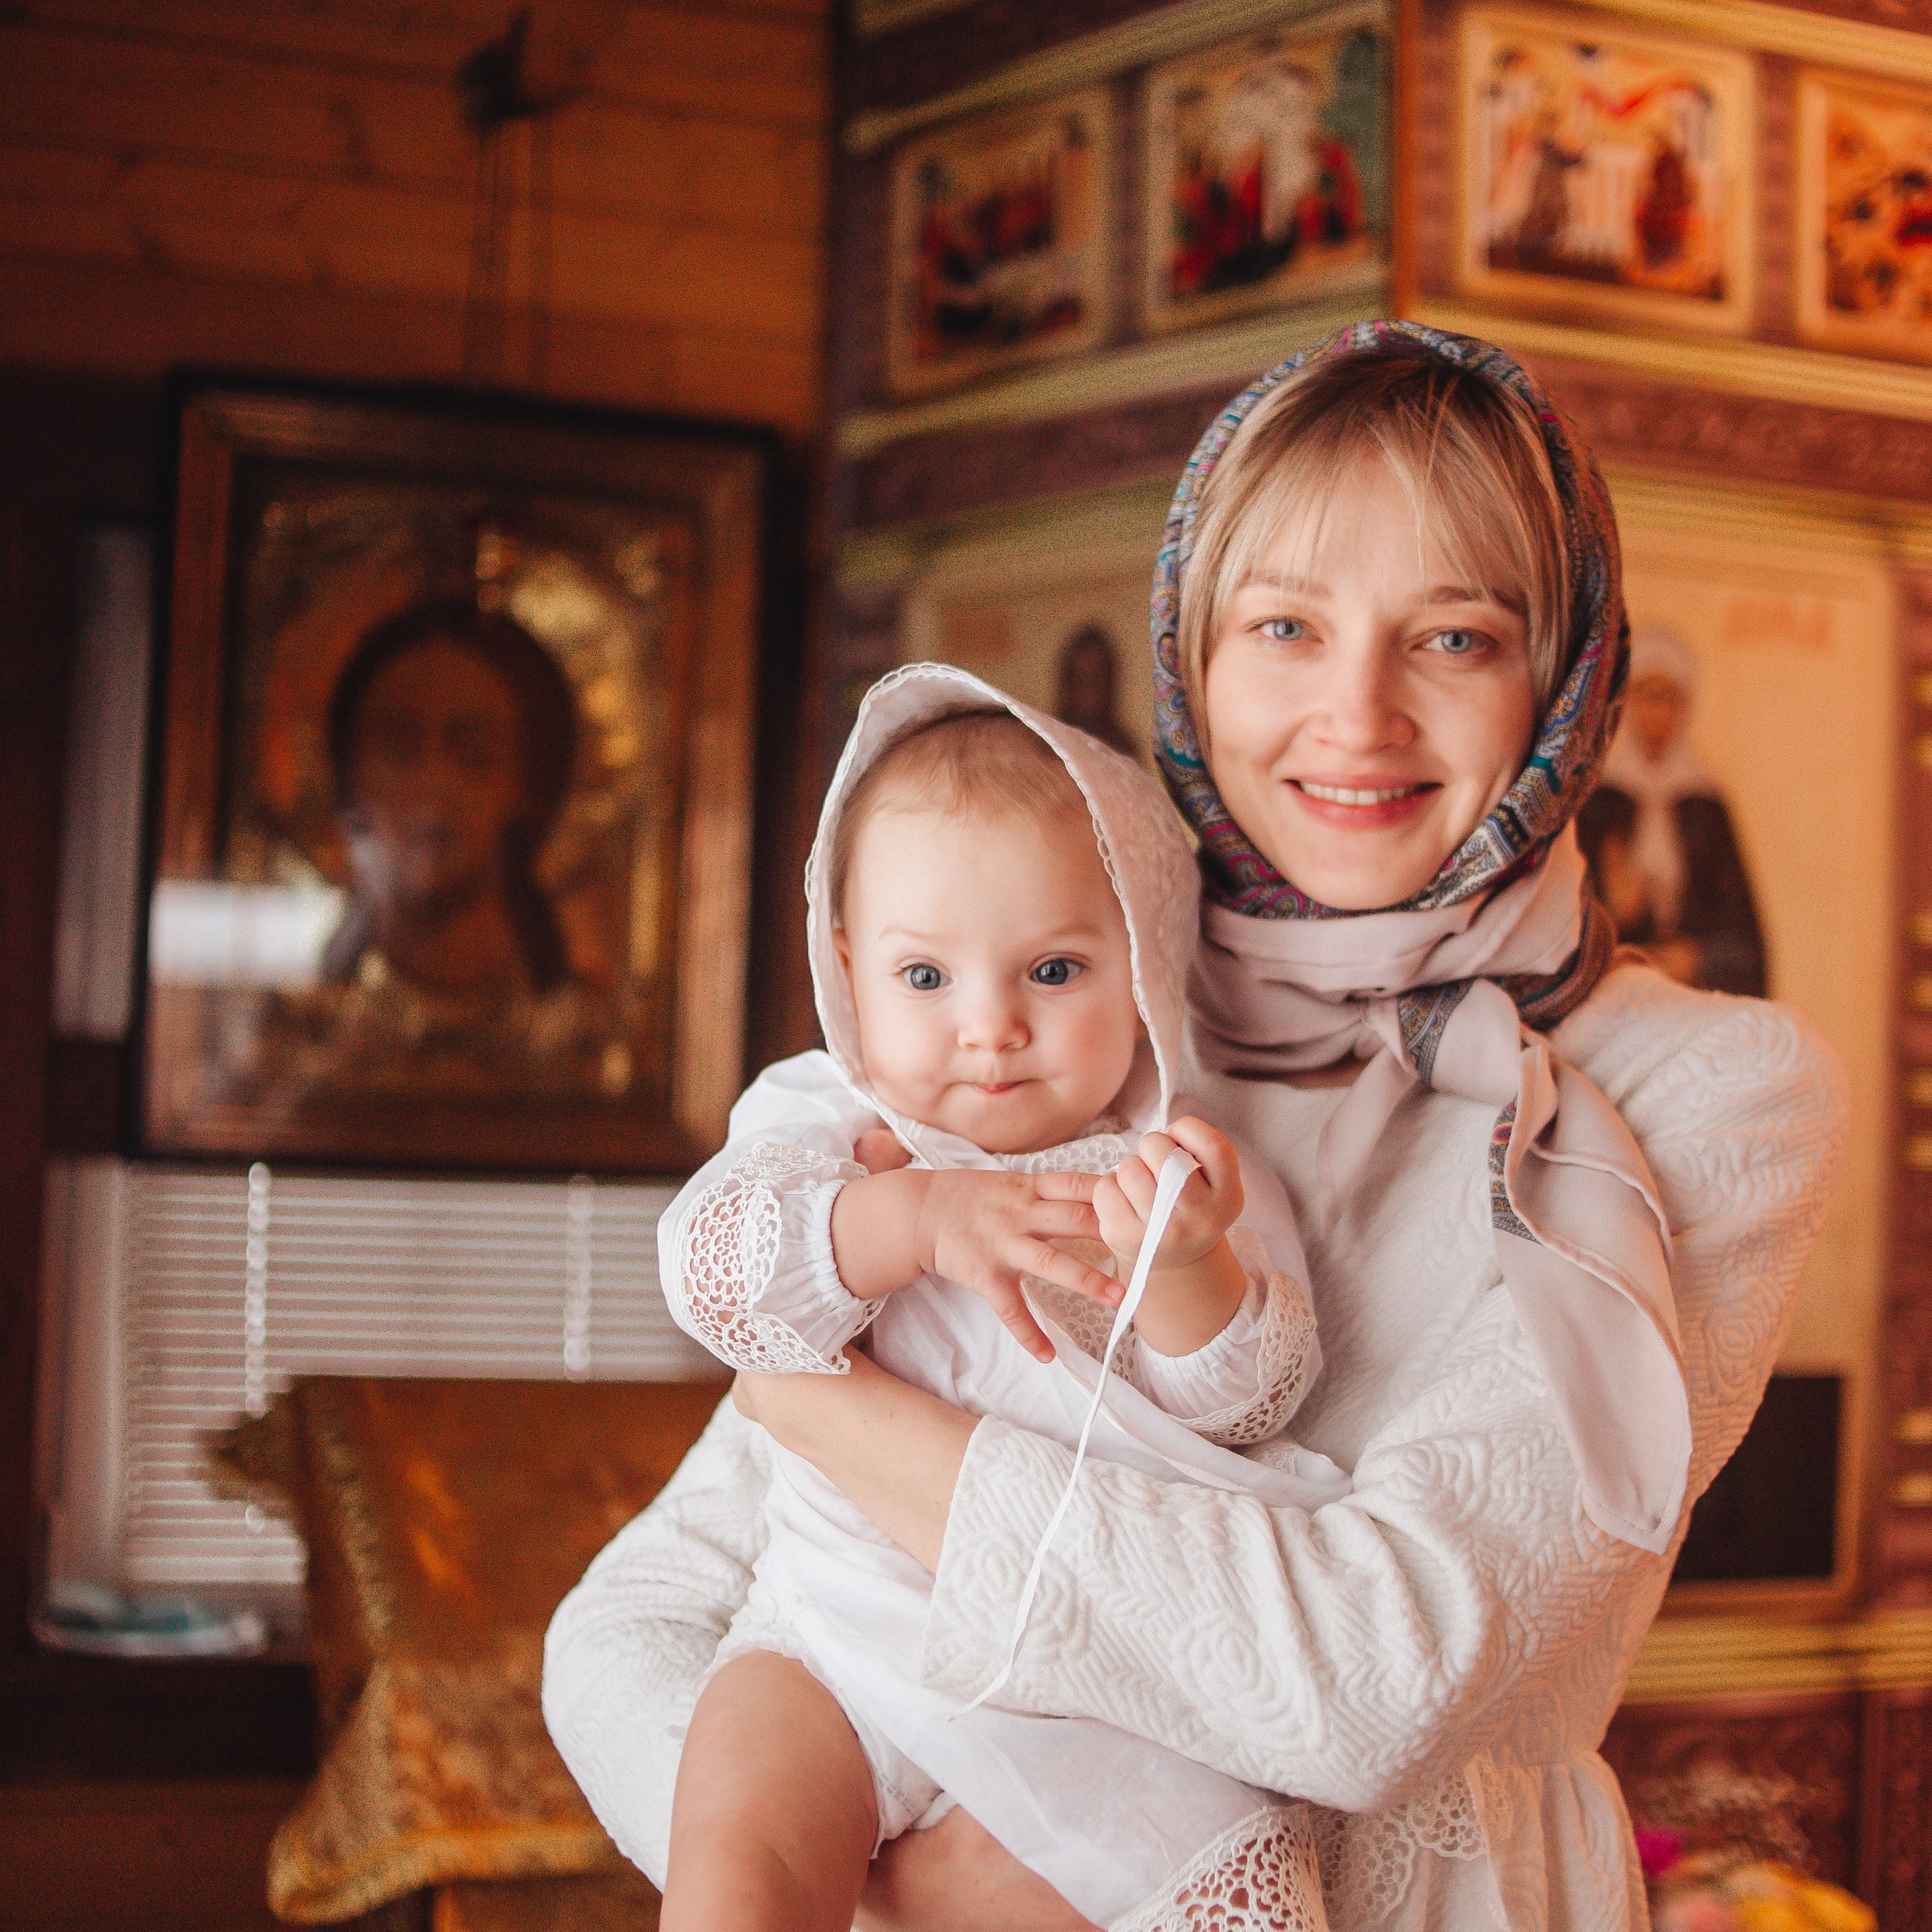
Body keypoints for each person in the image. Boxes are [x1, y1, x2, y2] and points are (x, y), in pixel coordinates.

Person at [544, 324, 1847, 1932]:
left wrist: (822, 1407)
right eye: (1284, 626)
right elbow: (633, 1622)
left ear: (1567, 670)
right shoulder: (1073, 1024)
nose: (1355, 714)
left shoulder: (1696, 1091)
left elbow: (1375, 1682)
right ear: (1193, 655)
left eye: (1452, 636)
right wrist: (877, 1887)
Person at [655, 670, 1347, 1932]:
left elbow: (1251, 1403)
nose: (989, 1028)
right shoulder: (829, 1124)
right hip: (838, 1636)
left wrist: (1187, 1268)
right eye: (925, 978)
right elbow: (714, 1282)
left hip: (1091, 1682)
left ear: (1144, 966)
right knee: (738, 1856)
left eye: (1053, 969)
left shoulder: (1177, 1170)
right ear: (848, 968)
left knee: (1222, 1888)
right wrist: (909, 1220)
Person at [1576, 623, 1767, 997]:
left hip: (1689, 994)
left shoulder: (1704, 806)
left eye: (1667, 698)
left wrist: (1698, 959)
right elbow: (1566, 924)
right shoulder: (1596, 801)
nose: (1654, 713)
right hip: (1613, 991)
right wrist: (1615, 912)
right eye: (1644, 695)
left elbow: (1745, 942)